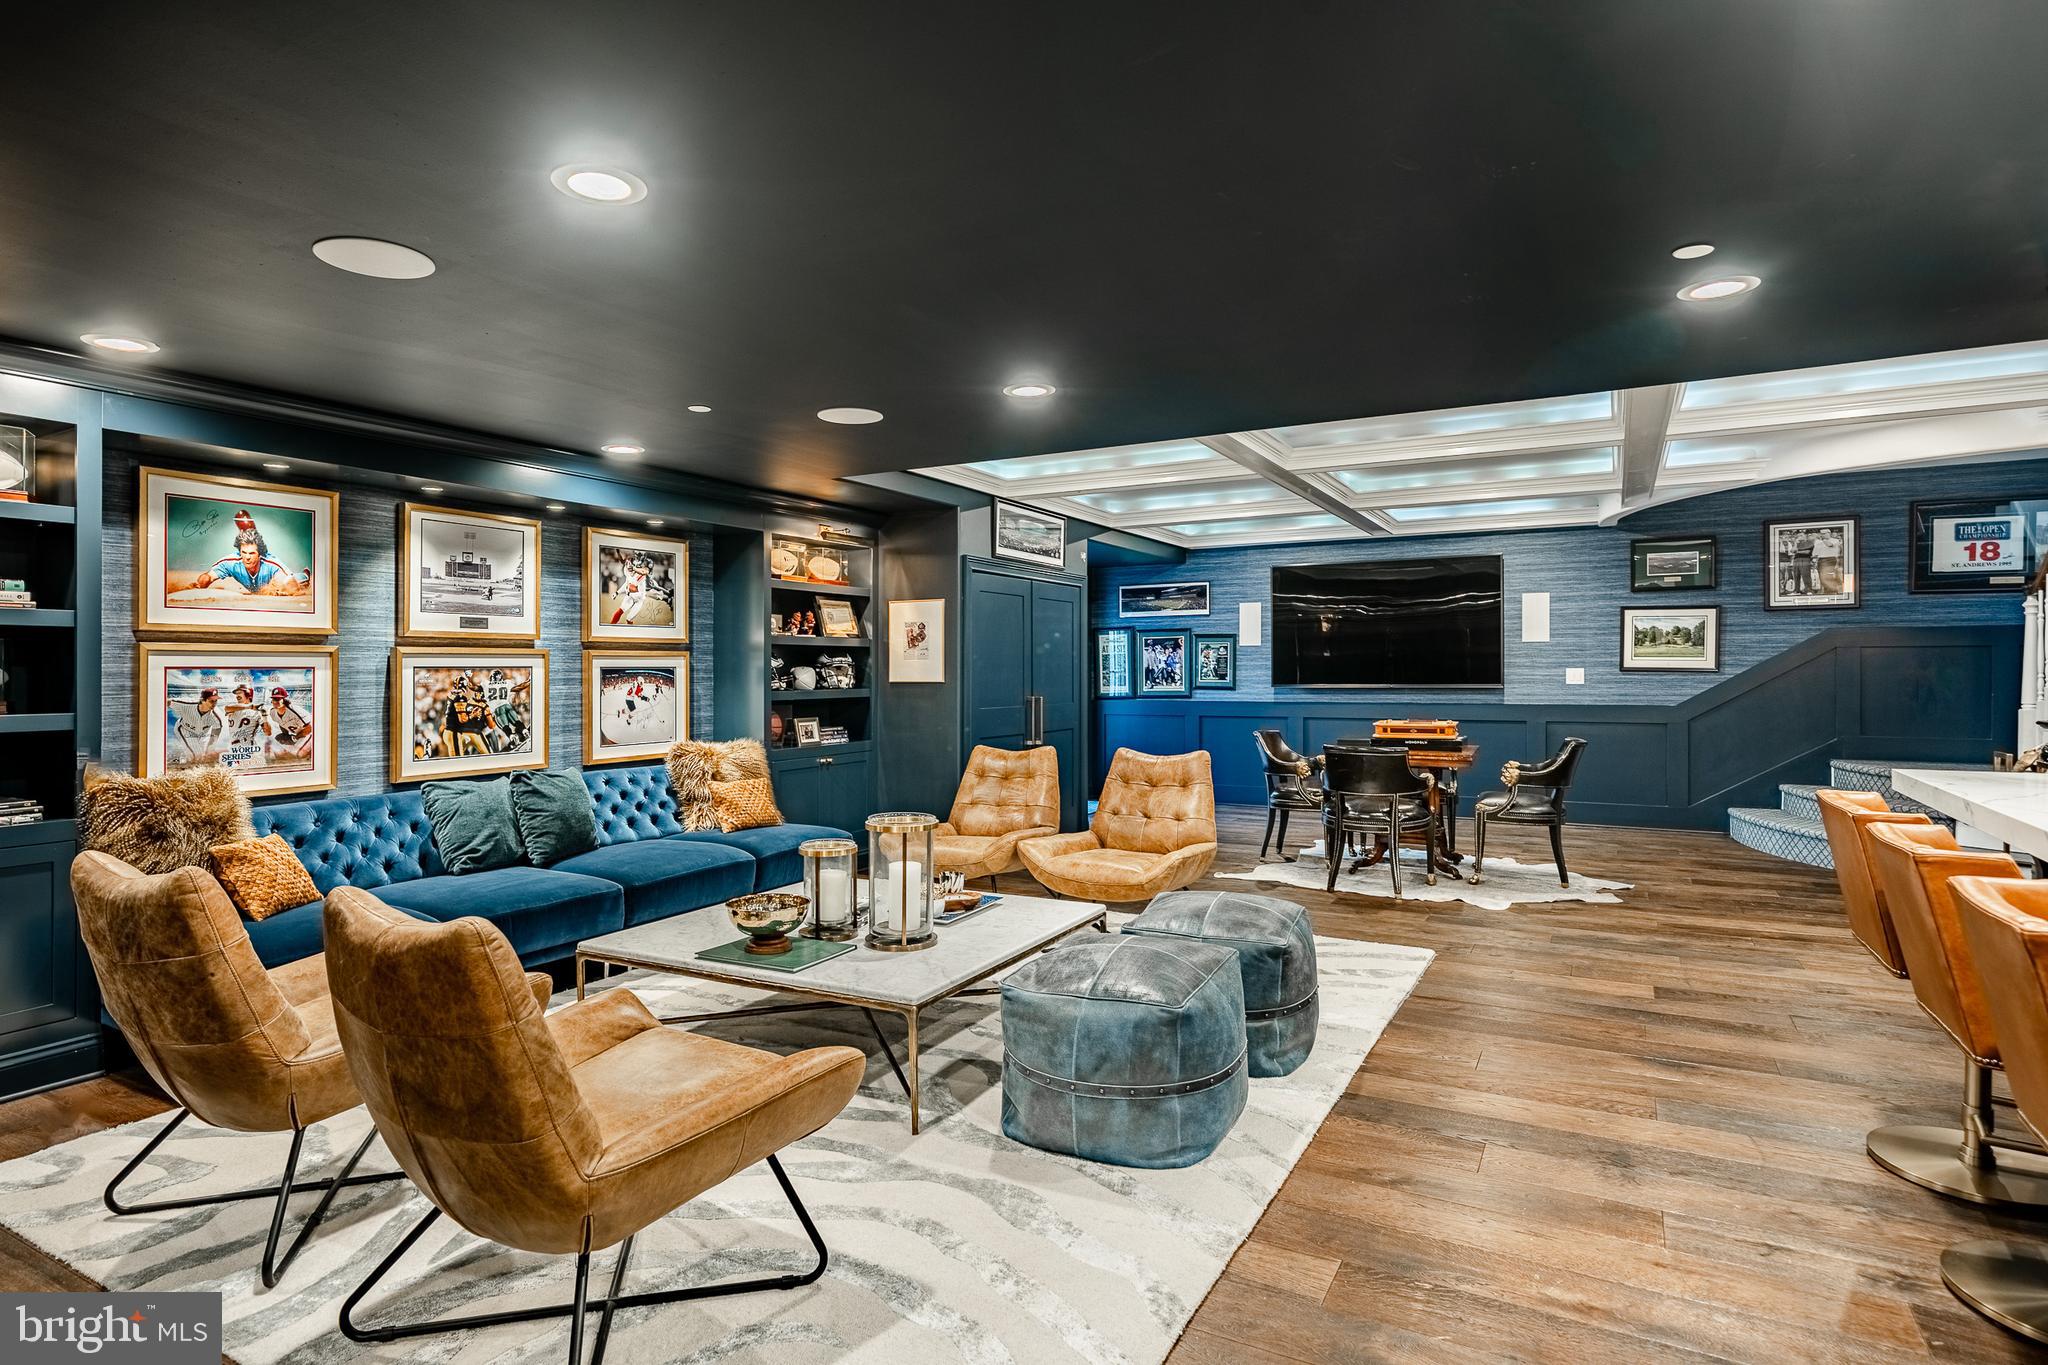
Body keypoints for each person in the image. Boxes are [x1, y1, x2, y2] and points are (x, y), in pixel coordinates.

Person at [190, 529, 304, 596]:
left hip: (291, 578)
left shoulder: (272, 565)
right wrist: (201, 583)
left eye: (252, 553)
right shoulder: (231, 563)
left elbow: (292, 586)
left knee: (299, 580)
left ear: (260, 554)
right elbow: (208, 576)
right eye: (244, 552)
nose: (247, 557)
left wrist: (281, 588)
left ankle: (305, 575)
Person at [168, 688, 225, 765]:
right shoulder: (187, 704)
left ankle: (181, 761)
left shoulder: (216, 716)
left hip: (203, 734)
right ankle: (184, 762)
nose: (214, 704)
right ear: (202, 700)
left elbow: (214, 737)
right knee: (198, 756)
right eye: (211, 701)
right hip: (185, 730)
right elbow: (167, 702)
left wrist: (209, 751)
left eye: (216, 701)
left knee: (205, 757)